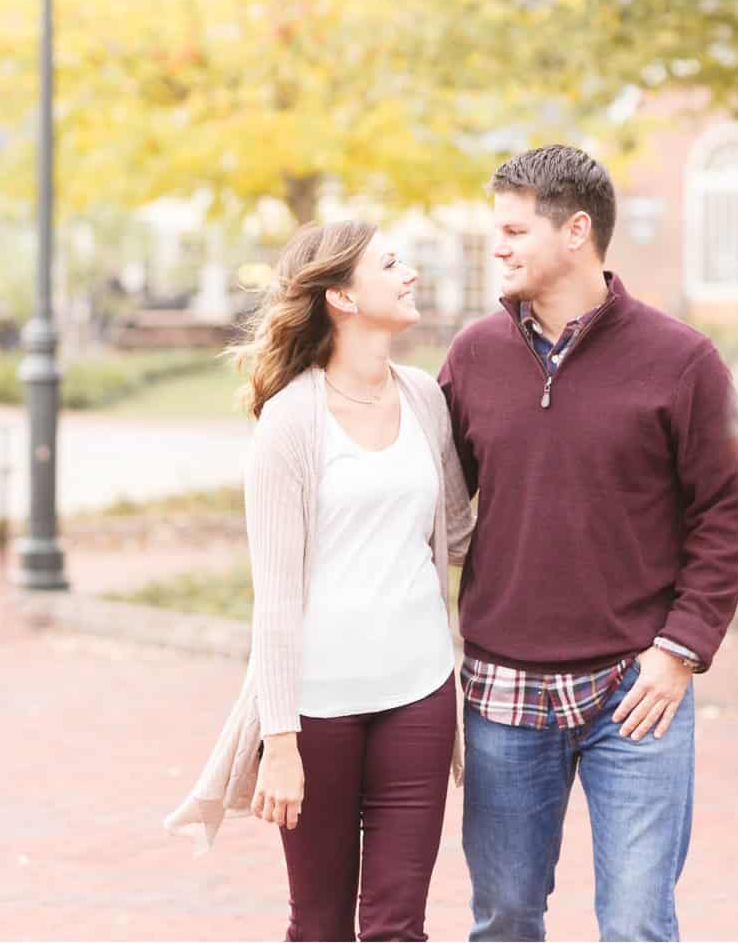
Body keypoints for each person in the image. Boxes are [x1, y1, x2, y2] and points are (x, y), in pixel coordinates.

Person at [438, 145, 738, 943]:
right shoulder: (473, 355)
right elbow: (432, 505)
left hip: (635, 689)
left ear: (577, 230)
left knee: (639, 921)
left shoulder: (683, 360)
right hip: (503, 688)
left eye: (514, 230)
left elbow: (721, 510)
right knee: (505, 917)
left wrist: (681, 648)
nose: (498, 246)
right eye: (495, 230)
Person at [165, 219, 474, 943]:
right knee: (322, 925)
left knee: (400, 927)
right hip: (318, 710)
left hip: (420, 693)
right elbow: (274, 602)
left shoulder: (426, 398)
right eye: (390, 262)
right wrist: (281, 739)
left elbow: (457, 532)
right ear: (341, 293)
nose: (409, 273)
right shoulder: (290, 423)